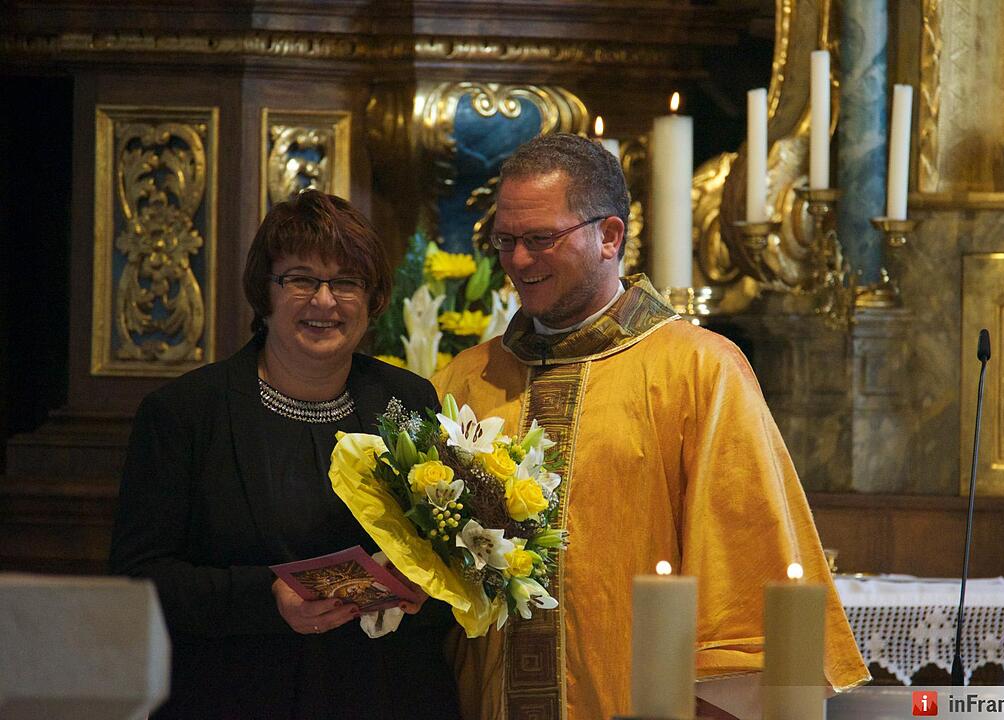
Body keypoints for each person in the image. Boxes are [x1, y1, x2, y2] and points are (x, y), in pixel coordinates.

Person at [432, 133, 870, 720]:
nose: (517, 261)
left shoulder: (699, 369)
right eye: (505, 241)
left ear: (609, 236)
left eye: (540, 239)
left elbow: (748, 573)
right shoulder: (466, 378)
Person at [110, 189, 460, 719]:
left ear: (372, 298)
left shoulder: (407, 400)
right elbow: (138, 578)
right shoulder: (185, 412)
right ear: (264, 292)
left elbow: (449, 554)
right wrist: (267, 597)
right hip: (237, 691)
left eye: (346, 282)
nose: (325, 301)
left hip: (384, 692)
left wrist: (427, 590)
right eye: (301, 279)